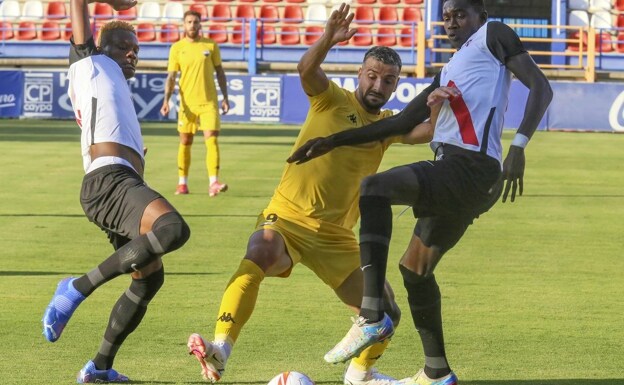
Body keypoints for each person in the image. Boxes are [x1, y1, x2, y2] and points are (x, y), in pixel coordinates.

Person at [287, 1, 553, 384]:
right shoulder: (449, 69)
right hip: (463, 177)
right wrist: (332, 141)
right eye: (445, 16)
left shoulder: (493, 36)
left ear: (480, 14)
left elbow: (541, 87)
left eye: (460, 14)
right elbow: (396, 124)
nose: (451, 22)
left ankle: (372, 314)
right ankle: (437, 373)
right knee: (415, 270)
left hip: (468, 168)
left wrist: (519, 146)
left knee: (375, 188)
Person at [186, 4, 435, 385]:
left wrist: (444, 101)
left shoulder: (388, 126)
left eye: (388, 81)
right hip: (288, 215)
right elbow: (306, 69)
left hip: (337, 236)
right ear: (360, 75)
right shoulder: (331, 98)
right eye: (372, 76)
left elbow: (428, 131)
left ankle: (361, 376)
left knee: (386, 311)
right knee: (259, 254)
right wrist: (327, 39)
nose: (378, 86)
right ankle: (220, 349)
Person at [41, 0, 191, 382]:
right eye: (123, 47)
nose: (131, 54)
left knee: (149, 277)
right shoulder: (87, 64)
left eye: (136, 49)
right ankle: (75, 288)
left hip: (120, 182)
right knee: (172, 229)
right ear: (96, 47)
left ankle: (100, 368)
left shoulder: (113, 87)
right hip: (108, 182)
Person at [161, 10, 230, 197]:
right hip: (187, 104)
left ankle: (213, 182)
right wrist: (166, 100)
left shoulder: (211, 45)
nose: (192, 25)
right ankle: (182, 183)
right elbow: (171, 77)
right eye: (189, 22)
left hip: (209, 102)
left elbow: (220, 72)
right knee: (185, 141)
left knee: (212, 138)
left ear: (200, 24)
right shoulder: (177, 48)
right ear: (184, 25)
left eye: (196, 22)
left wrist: (225, 96)